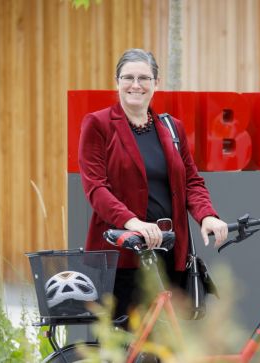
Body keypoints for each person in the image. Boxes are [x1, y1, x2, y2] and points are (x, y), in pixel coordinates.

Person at [78, 48, 228, 320]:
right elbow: (95, 188)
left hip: (168, 252)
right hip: (123, 255)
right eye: (128, 77)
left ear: (156, 83)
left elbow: (192, 181)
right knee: (125, 346)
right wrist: (132, 222)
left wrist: (206, 215)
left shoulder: (172, 128)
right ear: (117, 81)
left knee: (167, 344)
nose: (136, 85)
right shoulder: (98, 124)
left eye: (144, 78)